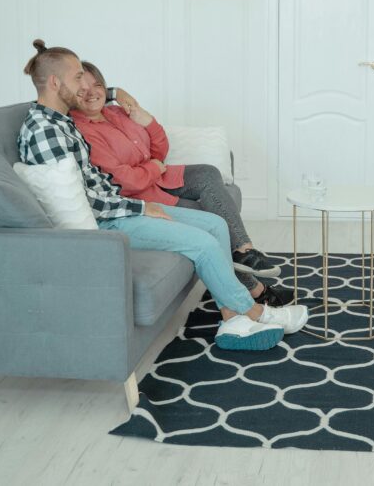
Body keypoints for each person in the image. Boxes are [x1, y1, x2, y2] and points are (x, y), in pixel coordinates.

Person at [17, 39, 308, 351]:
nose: (83, 88)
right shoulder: (46, 131)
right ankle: (255, 311)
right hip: (107, 222)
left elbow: (94, 173)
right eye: (77, 78)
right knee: (204, 243)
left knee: (214, 224)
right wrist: (141, 207)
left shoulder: (58, 120)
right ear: (55, 82)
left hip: (119, 207)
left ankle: (230, 318)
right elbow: (88, 202)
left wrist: (114, 94)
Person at [71, 61, 291, 307]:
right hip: (142, 194)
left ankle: (245, 250)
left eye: (97, 85)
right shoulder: (82, 130)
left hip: (160, 178)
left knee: (207, 173)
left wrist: (147, 119)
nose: (92, 92)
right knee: (212, 220)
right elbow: (124, 181)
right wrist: (154, 166)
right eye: (83, 88)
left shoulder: (118, 112)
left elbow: (161, 148)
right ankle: (253, 290)